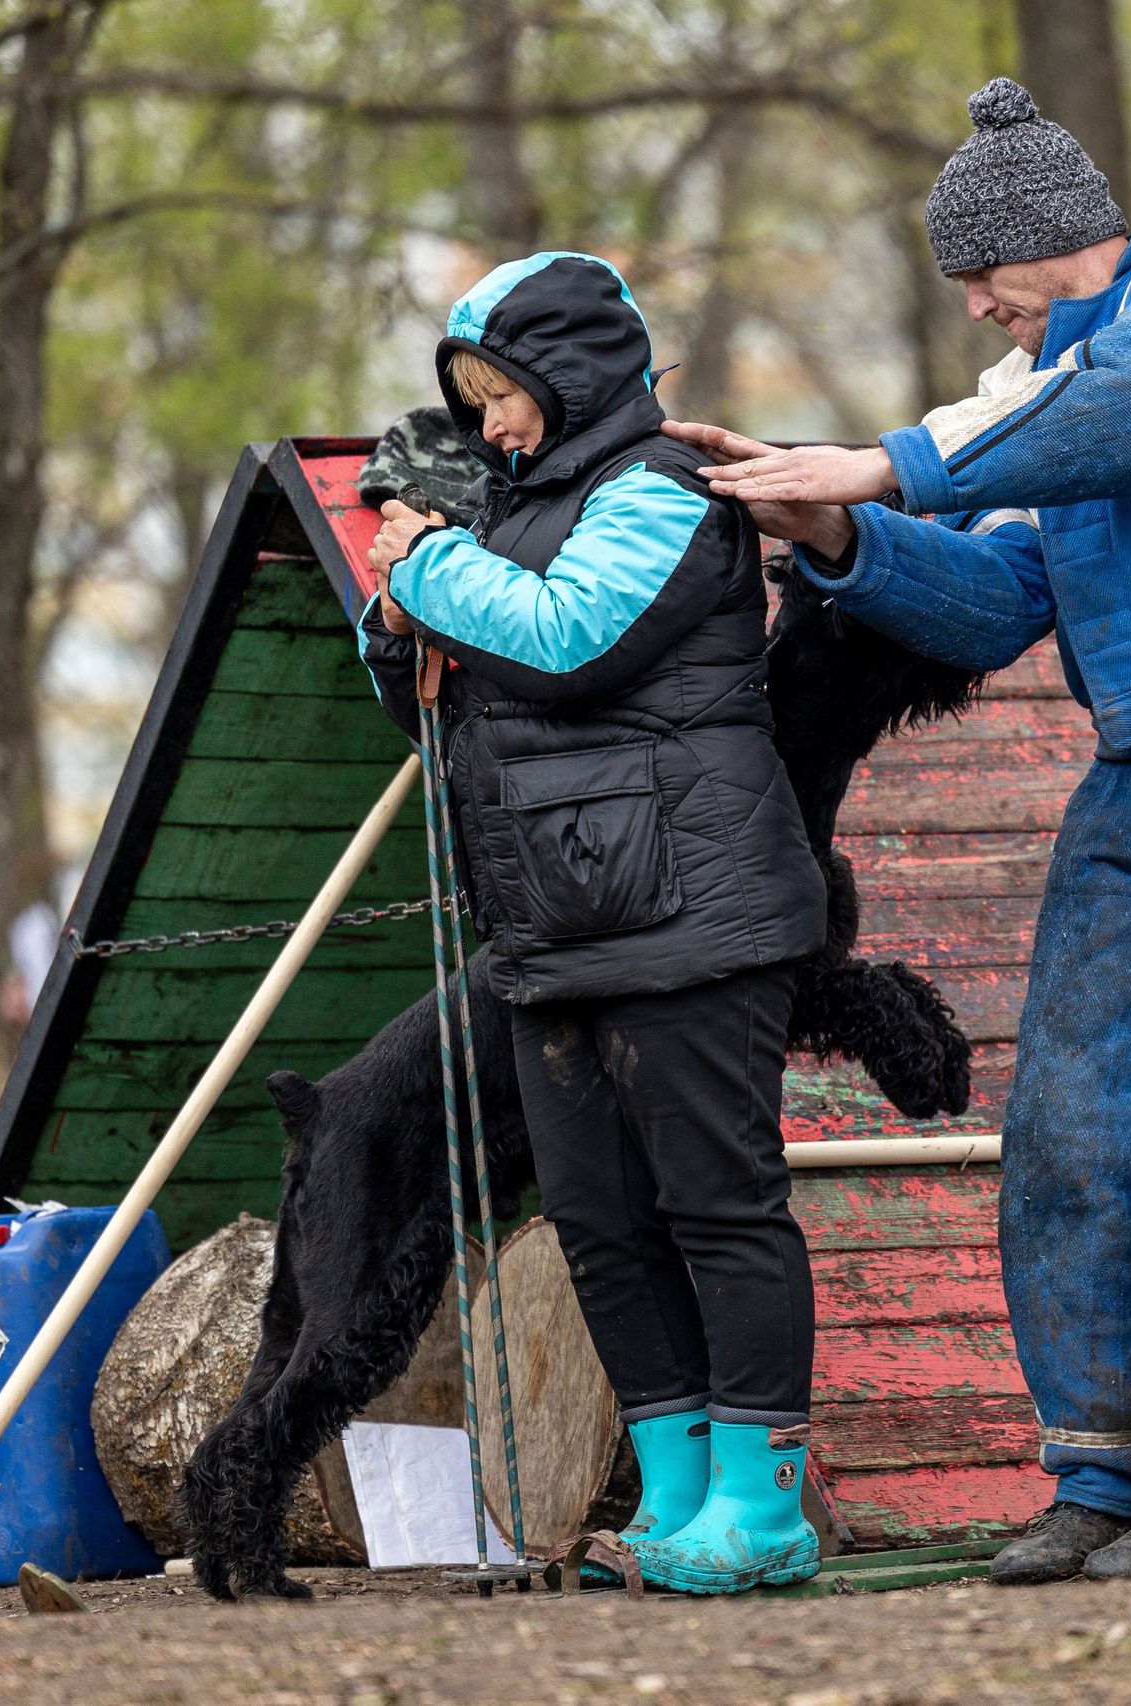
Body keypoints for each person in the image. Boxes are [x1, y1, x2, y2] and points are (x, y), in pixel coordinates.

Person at [665, 79, 1131, 1584]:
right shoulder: (1035, 413)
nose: (972, 306)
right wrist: (837, 536)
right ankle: (1103, 1469)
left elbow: (1130, 407)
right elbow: (992, 601)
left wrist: (885, 465)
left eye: (981, 275)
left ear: (1049, 238)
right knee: (1069, 1128)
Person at [360, 251, 829, 1594]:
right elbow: (448, 705)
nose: (488, 425)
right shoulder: (505, 511)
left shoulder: (660, 494)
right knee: (602, 1222)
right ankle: (681, 1495)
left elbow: (571, 640)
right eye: (474, 400)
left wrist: (430, 560)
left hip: (694, 916)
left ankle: (765, 1503)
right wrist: (397, 624)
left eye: (502, 395)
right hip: (553, 929)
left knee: (720, 1207)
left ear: (569, 376)